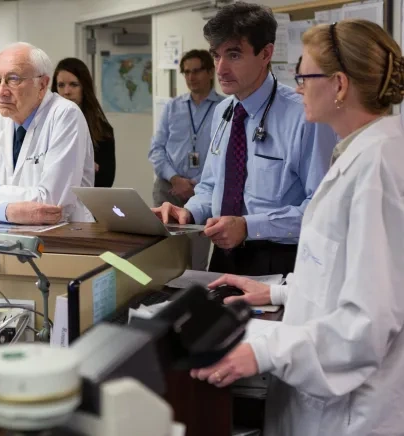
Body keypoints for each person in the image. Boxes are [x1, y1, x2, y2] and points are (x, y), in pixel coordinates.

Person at [191, 19, 404, 436]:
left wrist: (262, 350)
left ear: (339, 85)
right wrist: (276, 292)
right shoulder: (361, 154)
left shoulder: (378, 168)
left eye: (304, 75)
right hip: (322, 391)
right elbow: (346, 274)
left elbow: (367, 323)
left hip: (350, 410)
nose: (299, 86)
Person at [153, 2, 337, 276]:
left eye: (234, 55)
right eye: (216, 56)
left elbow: (321, 210)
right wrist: (188, 213)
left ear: (266, 54)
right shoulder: (223, 112)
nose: (221, 69)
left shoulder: (304, 116)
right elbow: (211, 185)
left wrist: (249, 226)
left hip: (280, 261)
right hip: (224, 256)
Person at [0, 42, 95, 225]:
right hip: (4, 236)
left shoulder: (65, 115)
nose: (1, 91)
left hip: (63, 239)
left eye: (13, 79)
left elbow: (52, 203)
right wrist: (9, 212)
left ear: (42, 85)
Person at [149, 49, 224, 207]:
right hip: (169, 187)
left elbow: (225, 154)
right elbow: (156, 149)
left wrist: (195, 182)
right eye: (187, 72)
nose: (191, 77)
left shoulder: (224, 108)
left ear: (211, 72)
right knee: (162, 231)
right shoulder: (172, 107)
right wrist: (175, 179)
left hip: (207, 189)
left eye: (196, 71)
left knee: (203, 232)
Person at [52, 57, 115, 187]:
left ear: (84, 88)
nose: (66, 92)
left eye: (74, 85)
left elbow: (106, 181)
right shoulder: (43, 124)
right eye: (61, 85)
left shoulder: (102, 129)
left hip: (86, 201)